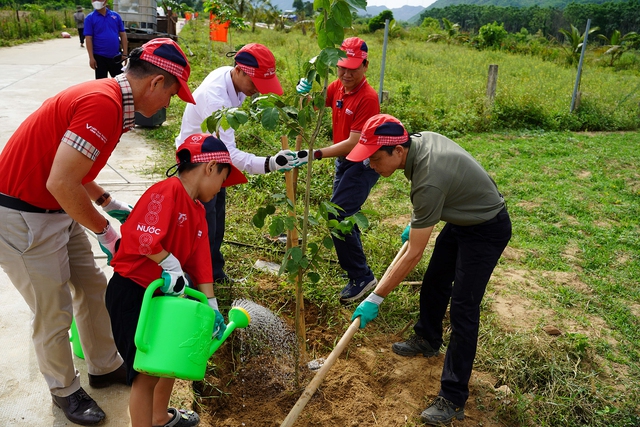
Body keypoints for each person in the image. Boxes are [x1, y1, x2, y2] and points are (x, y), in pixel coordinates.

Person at [0, 38, 195, 426]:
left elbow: (73, 167)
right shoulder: (102, 104)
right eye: (172, 94)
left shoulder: (110, 101)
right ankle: (64, 391)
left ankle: (104, 366)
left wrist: (106, 201)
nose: (169, 105)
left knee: (91, 286)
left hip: (56, 208)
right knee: (52, 309)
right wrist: (107, 231)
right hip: (24, 214)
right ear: (156, 82)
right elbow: (61, 181)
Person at [348, 114, 512, 425]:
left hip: (486, 228)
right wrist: (418, 223)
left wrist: (376, 298)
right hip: (463, 217)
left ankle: (452, 398)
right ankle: (427, 339)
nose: (370, 165)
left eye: (374, 157)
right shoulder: (418, 143)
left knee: (464, 308)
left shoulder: (427, 179)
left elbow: (412, 255)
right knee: (436, 279)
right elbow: (443, 190)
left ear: (398, 151)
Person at [106, 133, 247, 427]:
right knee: (145, 374)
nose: (222, 188)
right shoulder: (167, 192)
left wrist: (211, 304)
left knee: (167, 360)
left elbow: (200, 261)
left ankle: (159, 417)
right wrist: (170, 264)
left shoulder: (196, 209)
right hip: (133, 293)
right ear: (210, 168)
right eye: (223, 179)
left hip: (161, 299)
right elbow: (141, 238)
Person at [176, 43, 295, 284]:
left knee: (217, 217)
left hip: (213, 159)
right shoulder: (216, 97)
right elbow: (228, 152)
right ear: (239, 70)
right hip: (197, 163)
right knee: (203, 224)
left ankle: (215, 271)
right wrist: (269, 163)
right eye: (255, 83)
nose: (256, 90)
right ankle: (196, 281)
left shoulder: (231, 79)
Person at [296, 37, 380, 303]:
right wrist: (305, 95)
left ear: (365, 66)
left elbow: (355, 143)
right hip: (344, 162)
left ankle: (362, 277)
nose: (346, 74)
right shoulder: (337, 87)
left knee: (338, 216)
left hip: (364, 163)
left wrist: (315, 153)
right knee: (344, 214)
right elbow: (314, 107)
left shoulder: (367, 98)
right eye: (341, 68)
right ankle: (358, 270)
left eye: (353, 69)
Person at [84, 0, 128, 79]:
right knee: (101, 84)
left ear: (105, 1)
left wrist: (125, 53)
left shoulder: (115, 16)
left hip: (115, 57)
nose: (96, 1)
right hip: (99, 57)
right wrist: (91, 57)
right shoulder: (90, 18)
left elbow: (123, 35)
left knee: (120, 83)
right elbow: (88, 38)